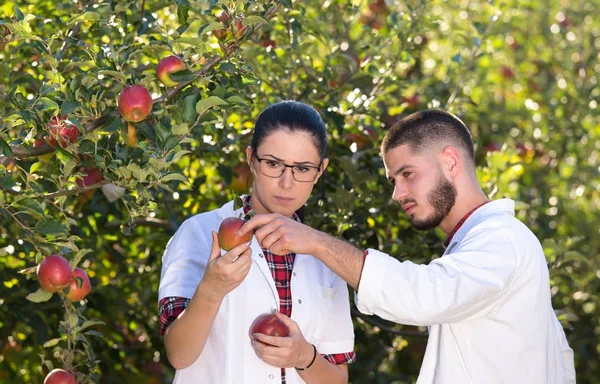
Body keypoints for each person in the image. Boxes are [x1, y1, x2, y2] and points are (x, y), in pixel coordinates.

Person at [239, 109, 577, 383]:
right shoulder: (477, 246)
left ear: (450, 162)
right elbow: (560, 361)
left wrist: (315, 242)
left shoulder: (502, 240)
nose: (397, 194)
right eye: (393, 180)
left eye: (407, 174)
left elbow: (421, 295)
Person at [158, 100, 355, 384]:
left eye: (302, 169)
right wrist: (212, 290)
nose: (287, 183)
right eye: (273, 164)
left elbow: (337, 378)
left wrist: (304, 357)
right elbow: (179, 355)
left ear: (320, 170)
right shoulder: (200, 234)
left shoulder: (325, 257)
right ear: (251, 159)